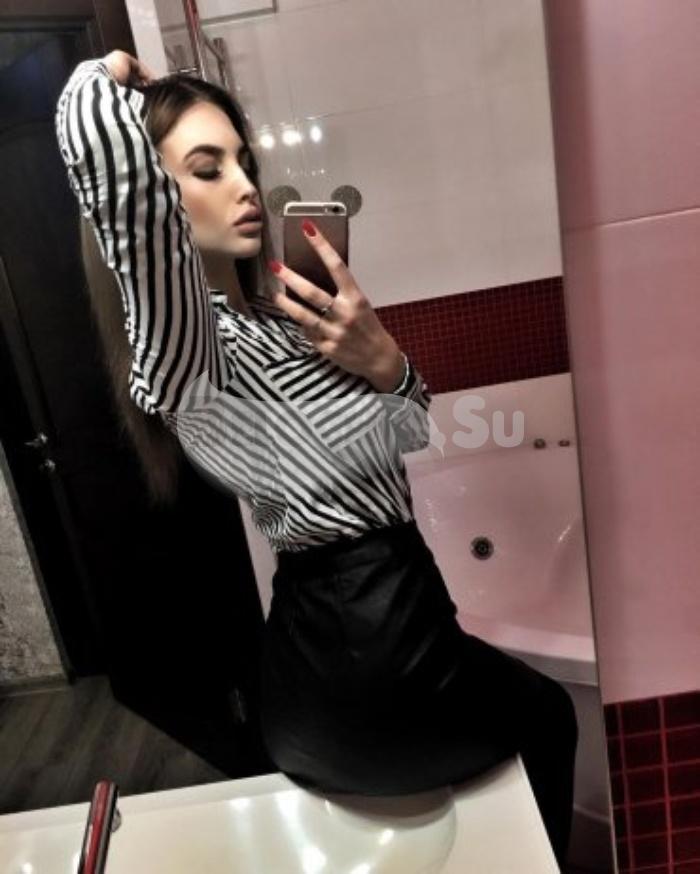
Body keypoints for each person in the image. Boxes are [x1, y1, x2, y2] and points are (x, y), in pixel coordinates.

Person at [55, 49, 579, 867]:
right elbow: (117, 182)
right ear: (158, 196)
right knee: (550, 716)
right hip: (370, 660)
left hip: (344, 654)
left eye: (243, 162)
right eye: (206, 169)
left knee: (529, 713)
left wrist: (385, 363)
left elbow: (408, 434)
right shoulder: (187, 348)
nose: (243, 186)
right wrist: (108, 72)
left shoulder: (279, 321)